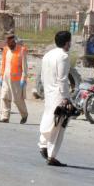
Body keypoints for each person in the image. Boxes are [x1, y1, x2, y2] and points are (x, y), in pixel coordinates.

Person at [38, 30, 74, 167]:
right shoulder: (63, 56)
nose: (70, 44)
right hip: (59, 95)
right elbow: (62, 79)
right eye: (70, 41)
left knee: (49, 120)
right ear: (66, 43)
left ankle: (43, 144)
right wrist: (66, 98)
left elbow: (42, 77)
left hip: (49, 94)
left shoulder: (48, 55)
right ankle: (51, 156)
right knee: (58, 126)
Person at [0, 32, 29, 124]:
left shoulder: (21, 50)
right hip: (6, 78)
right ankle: (5, 117)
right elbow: (3, 64)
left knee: (17, 99)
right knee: (4, 97)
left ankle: (24, 115)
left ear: (13, 41)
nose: (8, 45)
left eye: (10, 43)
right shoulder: (6, 50)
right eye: (7, 43)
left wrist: (24, 78)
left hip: (17, 80)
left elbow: (24, 67)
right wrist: (1, 76)